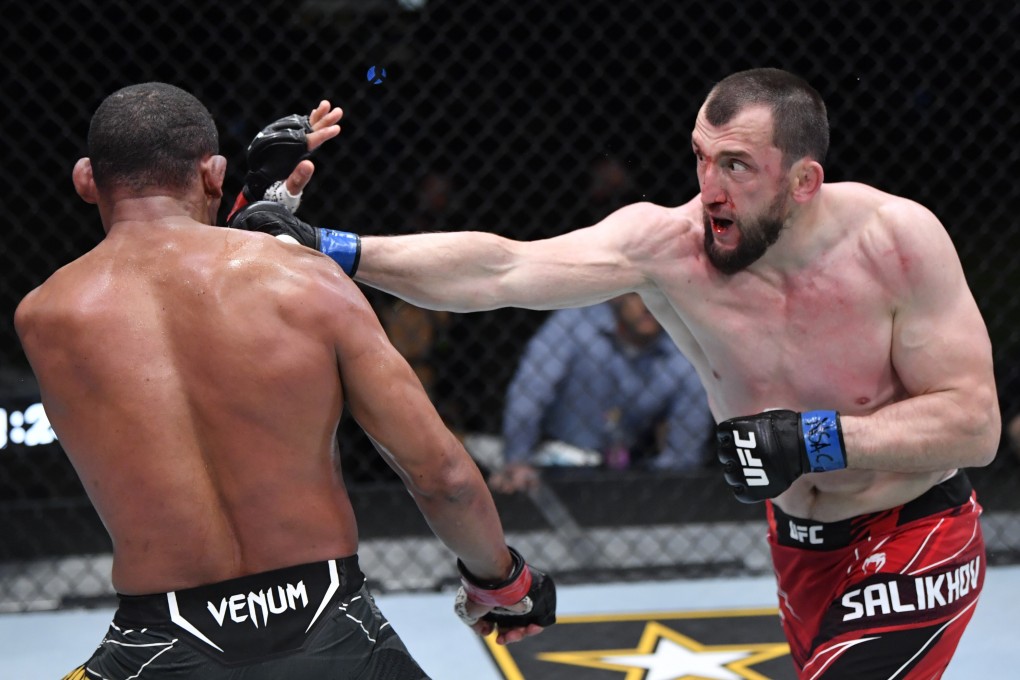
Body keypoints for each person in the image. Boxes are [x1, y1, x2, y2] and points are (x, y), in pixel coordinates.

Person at [233, 67, 1000, 678]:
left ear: (804, 181)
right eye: (701, 157)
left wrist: (815, 439)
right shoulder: (667, 248)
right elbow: (500, 269)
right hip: (799, 544)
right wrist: (328, 247)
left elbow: (975, 423)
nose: (710, 188)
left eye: (737, 165)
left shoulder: (896, 242)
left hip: (916, 529)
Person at [14, 83, 553, 680]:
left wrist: (238, 211)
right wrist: (502, 582)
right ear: (212, 173)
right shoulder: (305, 281)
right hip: (332, 625)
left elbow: (164, 316)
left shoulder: (44, 318)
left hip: (157, 642)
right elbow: (442, 477)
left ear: (86, 179)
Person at [488, 292, 713, 493]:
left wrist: (672, 484)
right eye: (639, 294)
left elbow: (688, 440)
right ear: (617, 295)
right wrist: (518, 459)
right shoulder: (574, 323)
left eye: (660, 294)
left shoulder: (684, 349)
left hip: (629, 474)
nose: (649, 305)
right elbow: (530, 391)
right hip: (556, 463)